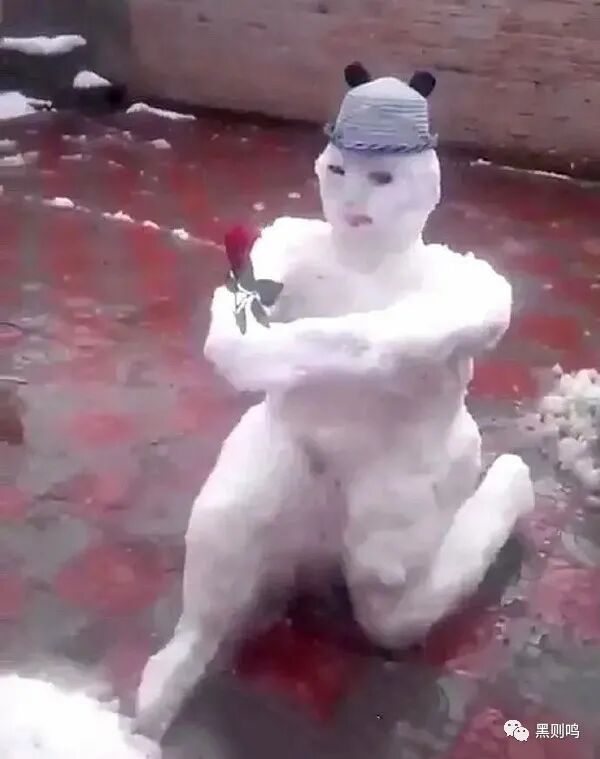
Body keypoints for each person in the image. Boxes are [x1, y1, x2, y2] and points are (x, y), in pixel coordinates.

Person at [136, 63, 534, 740]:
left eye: (381, 179)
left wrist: (282, 348)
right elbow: (231, 336)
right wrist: (258, 331)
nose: (353, 196)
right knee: (223, 518)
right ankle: (194, 636)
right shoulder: (289, 246)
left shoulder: (468, 289)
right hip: (293, 433)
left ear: (425, 185)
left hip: (402, 455)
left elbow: (388, 344)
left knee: (392, 619)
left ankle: (503, 493)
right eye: (340, 171)